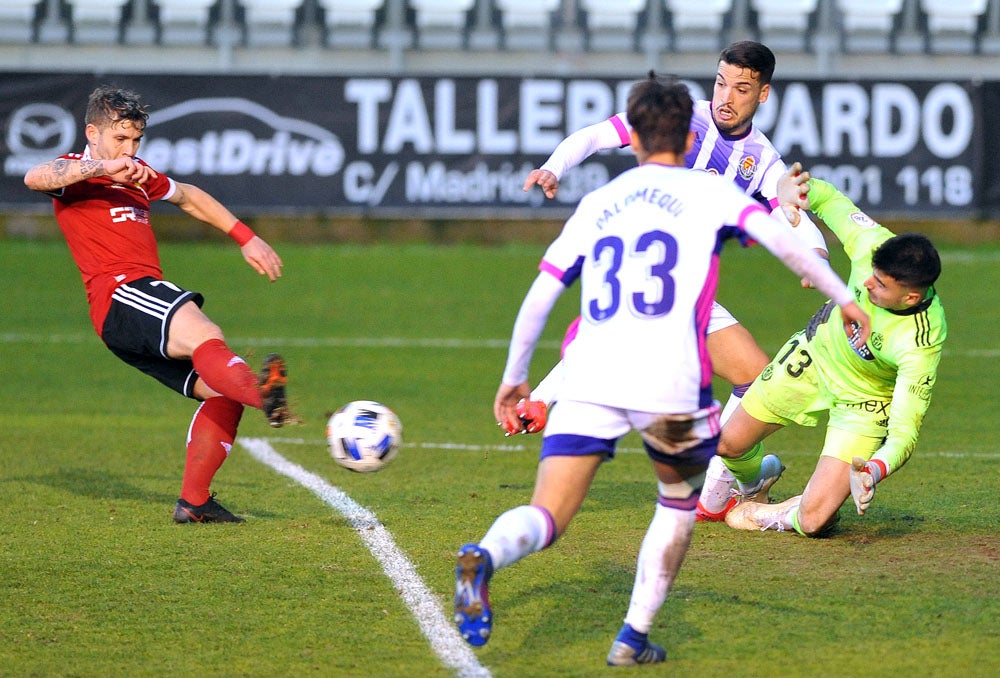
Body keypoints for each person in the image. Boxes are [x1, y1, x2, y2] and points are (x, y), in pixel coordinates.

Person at [453, 75, 869, 666]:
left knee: (548, 513)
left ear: (637, 137)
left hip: (594, 376)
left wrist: (516, 379)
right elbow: (789, 244)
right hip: (669, 385)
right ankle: (632, 636)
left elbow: (543, 292)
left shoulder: (600, 202)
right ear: (688, 131)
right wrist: (844, 297)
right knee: (675, 503)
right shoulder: (711, 194)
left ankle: (486, 558)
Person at [518, 41, 825, 520]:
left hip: (691, 293)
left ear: (762, 95)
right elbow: (597, 136)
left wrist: (817, 254)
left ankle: (726, 487)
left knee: (756, 379)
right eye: (721, 82)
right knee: (623, 339)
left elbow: (793, 214)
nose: (726, 96)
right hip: (648, 275)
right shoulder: (681, 116)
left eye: (741, 88)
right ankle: (542, 402)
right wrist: (554, 166)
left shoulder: (763, 159)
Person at [23, 85, 299, 524]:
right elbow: (36, 176)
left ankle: (194, 502)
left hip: (131, 309)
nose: (129, 150)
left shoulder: (137, 173)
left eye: (135, 141)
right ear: (92, 133)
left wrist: (247, 237)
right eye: (120, 139)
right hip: (121, 293)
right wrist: (101, 166)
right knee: (207, 334)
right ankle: (264, 396)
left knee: (221, 391)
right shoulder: (79, 171)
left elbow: (188, 196)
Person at [718, 164, 947, 535]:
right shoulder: (872, 241)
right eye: (870, 274)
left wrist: (874, 469)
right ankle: (758, 481)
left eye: (881, 285)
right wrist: (791, 191)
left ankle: (772, 514)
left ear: (911, 297)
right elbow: (825, 197)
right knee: (728, 444)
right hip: (813, 356)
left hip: (864, 400)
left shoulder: (920, 342)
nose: (867, 284)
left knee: (813, 522)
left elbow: (904, 431)